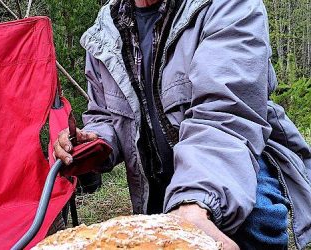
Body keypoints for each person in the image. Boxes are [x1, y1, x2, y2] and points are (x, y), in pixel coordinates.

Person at [54, 0, 311, 248]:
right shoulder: (104, 30)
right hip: (159, 179)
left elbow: (226, 116)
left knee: (254, 220)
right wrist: (93, 141)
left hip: (237, 158)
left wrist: (195, 204)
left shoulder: (228, 7)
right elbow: (105, 115)